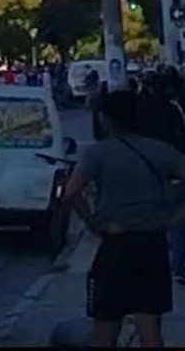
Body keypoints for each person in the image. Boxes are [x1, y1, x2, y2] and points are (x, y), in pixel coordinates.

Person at [61, 89, 185, 348]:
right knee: (150, 330)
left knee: (104, 328)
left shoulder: (99, 153)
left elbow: (71, 191)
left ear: (106, 119)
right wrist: (175, 218)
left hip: (116, 244)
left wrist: (92, 222)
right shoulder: (161, 151)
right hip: (152, 244)